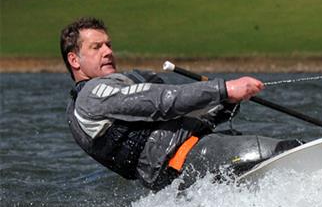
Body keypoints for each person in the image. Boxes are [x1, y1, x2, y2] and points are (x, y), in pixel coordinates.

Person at [61, 17, 300, 190]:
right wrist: (224, 88)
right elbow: (159, 102)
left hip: (178, 172)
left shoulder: (104, 93)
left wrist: (224, 102)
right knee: (288, 150)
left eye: (108, 45)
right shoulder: (92, 95)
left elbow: (175, 114)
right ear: (74, 59)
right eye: (97, 47)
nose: (108, 52)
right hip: (185, 157)